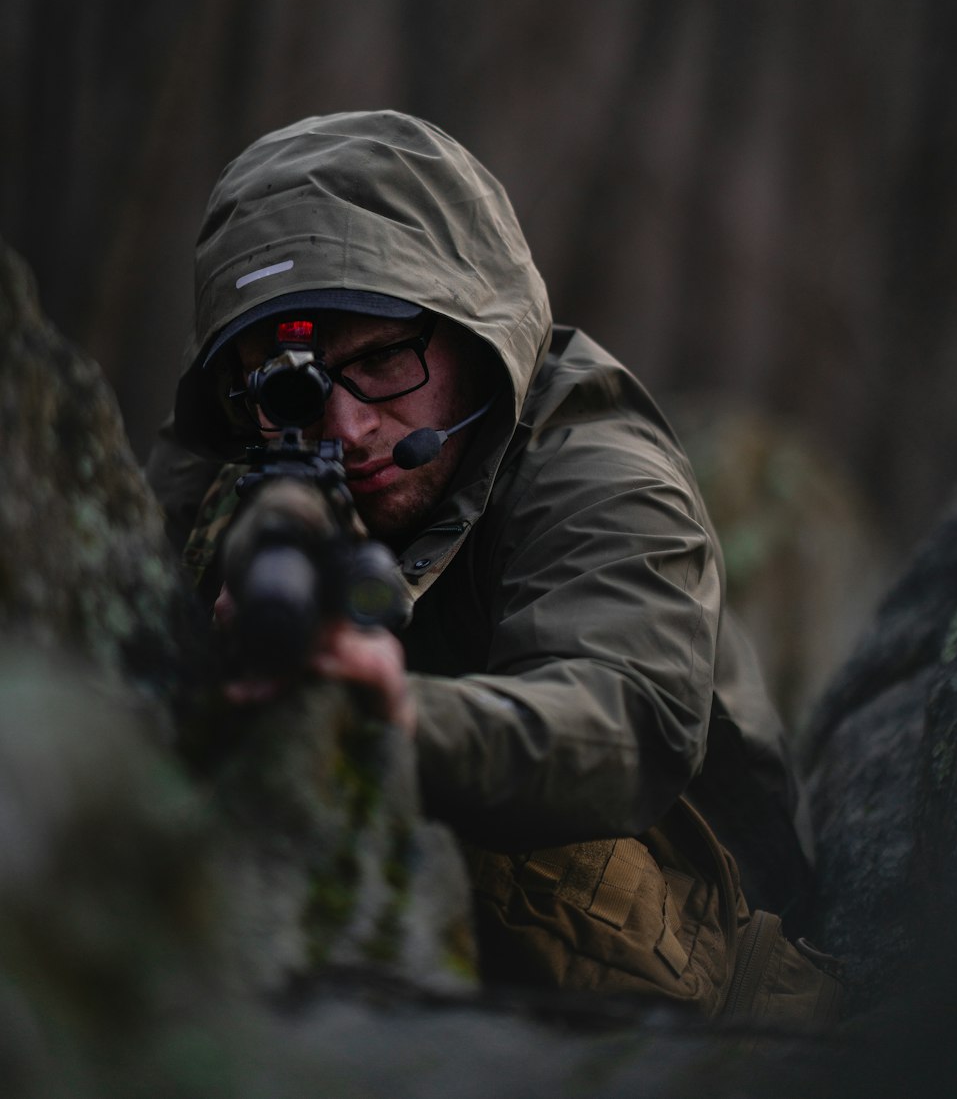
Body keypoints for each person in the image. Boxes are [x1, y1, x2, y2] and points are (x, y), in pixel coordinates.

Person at [148, 109, 815, 999]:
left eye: (384, 359)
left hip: (697, 951)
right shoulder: (229, 469)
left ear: (473, 335)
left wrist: (391, 716)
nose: (347, 427)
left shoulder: (597, 468)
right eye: (292, 385)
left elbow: (623, 720)